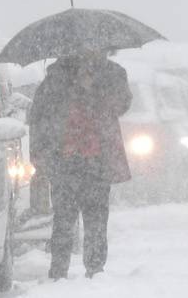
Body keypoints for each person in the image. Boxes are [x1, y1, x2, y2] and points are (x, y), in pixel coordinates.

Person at [28, 49, 132, 278]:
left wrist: (95, 87)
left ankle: (95, 268)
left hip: (97, 159)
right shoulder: (56, 77)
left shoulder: (112, 74)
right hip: (65, 159)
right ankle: (58, 270)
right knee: (64, 218)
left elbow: (122, 104)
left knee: (96, 218)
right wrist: (41, 155)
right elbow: (38, 117)